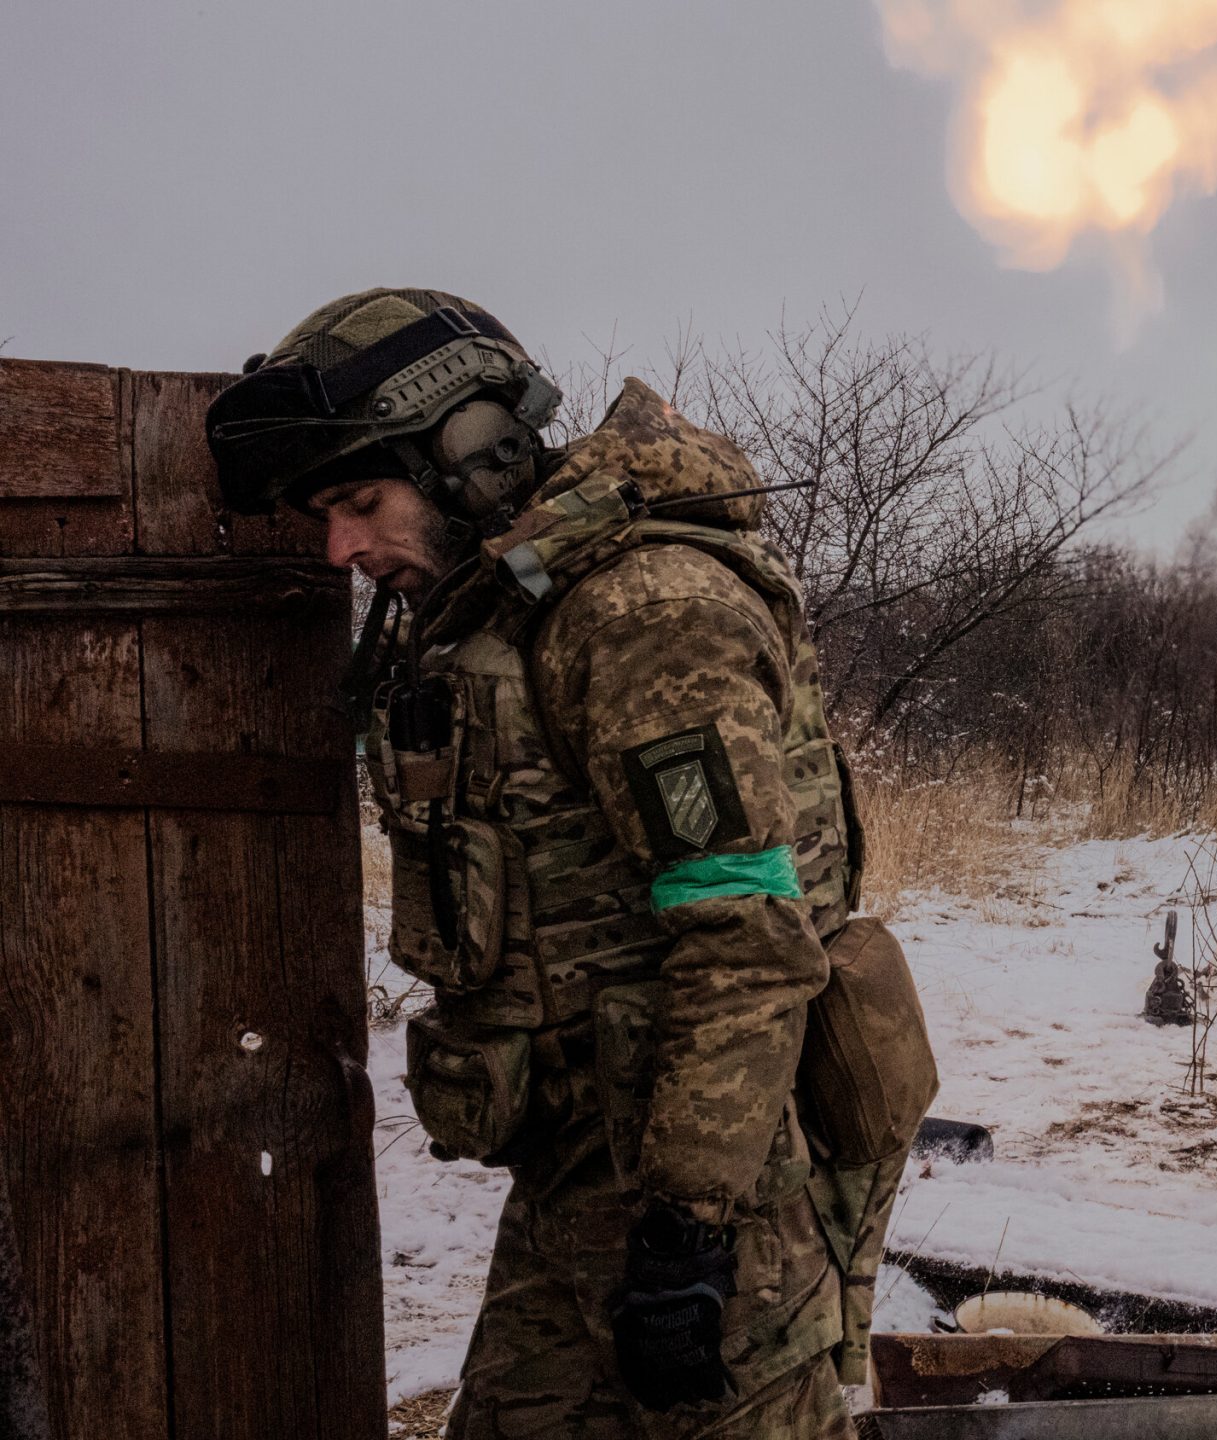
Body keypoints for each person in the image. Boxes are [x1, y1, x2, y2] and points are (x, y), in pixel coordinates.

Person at [207, 289, 920, 1438]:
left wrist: (688, 1232)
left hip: (712, 1190)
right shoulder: (515, 608)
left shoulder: (645, 614)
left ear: (472, 458)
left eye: (357, 503)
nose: (340, 549)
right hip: (581, 1179)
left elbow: (740, 932)